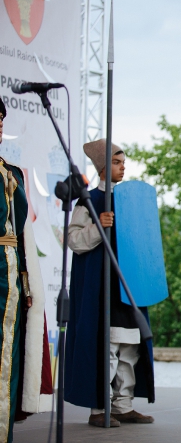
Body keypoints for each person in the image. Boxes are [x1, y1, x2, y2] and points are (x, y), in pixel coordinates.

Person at [65, 139, 155, 427]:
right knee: (109, 345)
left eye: (123, 162)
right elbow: (73, 241)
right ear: (103, 167)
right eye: (117, 162)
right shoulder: (88, 199)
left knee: (131, 345)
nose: (122, 166)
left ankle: (123, 404)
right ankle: (100, 408)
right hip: (102, 286)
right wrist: (97, 225)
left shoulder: (132, 199)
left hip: (130, 284)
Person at [0, 99, 53, 442]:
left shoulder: (12, 173)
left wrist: (26, 282)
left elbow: (21, 233)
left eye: (1, 119)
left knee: (8, 357)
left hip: (9, 280)